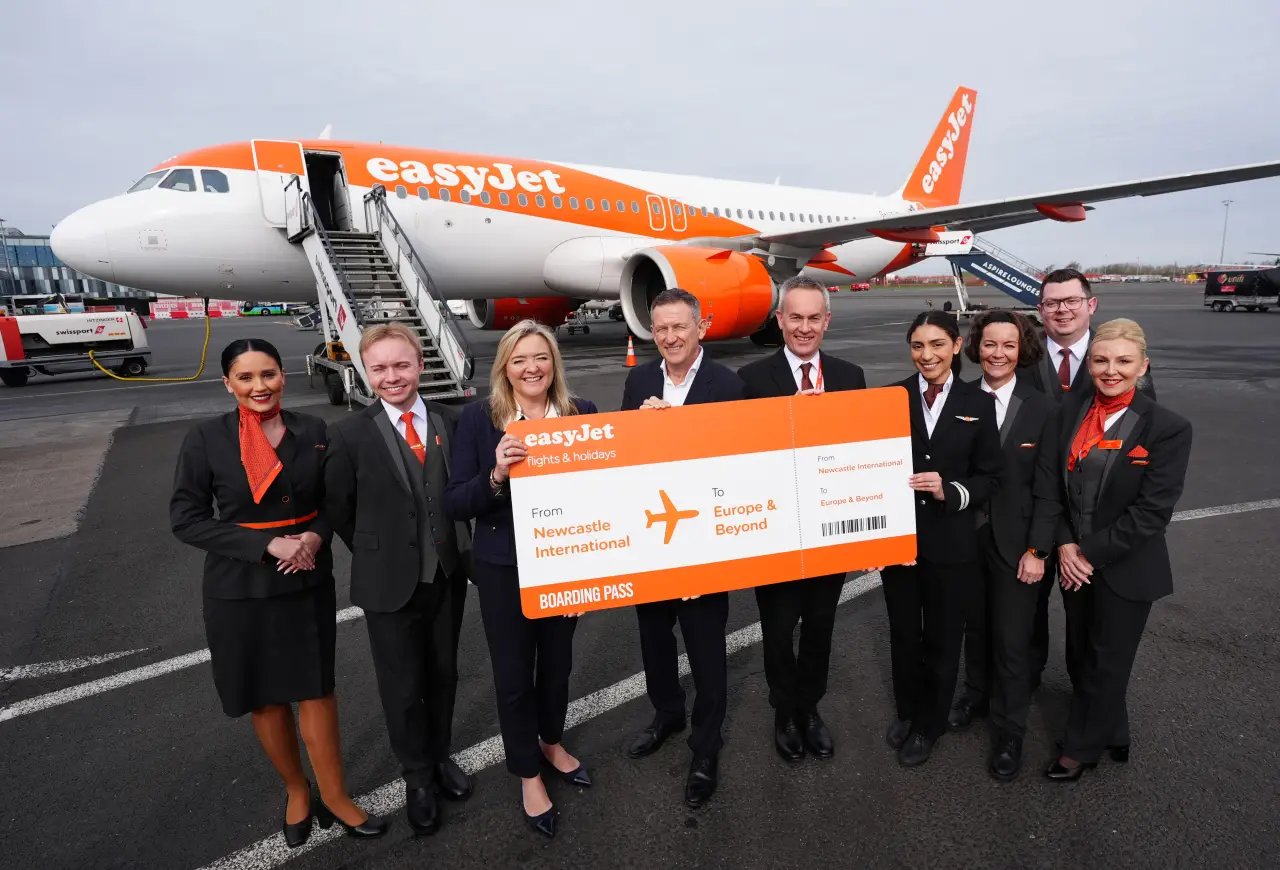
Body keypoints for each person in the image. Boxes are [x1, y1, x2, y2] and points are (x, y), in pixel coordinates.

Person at [171, 339, 386, 847]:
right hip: (240, 586)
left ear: (283, 376)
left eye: (267, 374)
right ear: (227, 383)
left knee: (316, 688)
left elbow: (335, 501)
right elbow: (187, 519)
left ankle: (335, 794)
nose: (259, 386)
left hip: (305, 577)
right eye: (245, 378)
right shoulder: (206, 438)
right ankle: (296, 790)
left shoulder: (314, 431)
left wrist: (315, 536)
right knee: (264, 698)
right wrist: (266, 544)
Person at [445, 320, 597, 839]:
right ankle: (528, 773)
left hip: (566, 561)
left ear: (554, 363)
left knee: (557, 666)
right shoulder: (478, 420)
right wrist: (496, 475)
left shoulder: (581, 413)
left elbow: (606, 489)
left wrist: (591, 570)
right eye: (520, 360)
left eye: (541, 357)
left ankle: (551, 742)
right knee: (513, 675)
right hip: (503, 566)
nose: (532, 368)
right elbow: (456, 501)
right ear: (504, 368)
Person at [324, 323, 472, 838]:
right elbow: (340, 509)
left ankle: (441, 756)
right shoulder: (348, 434)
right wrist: (379, 551)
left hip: (447, 575)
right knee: (403, 686)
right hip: (388, 583)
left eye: (402, 365)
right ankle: (418, 777)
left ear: (421, 366)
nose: (392, 377)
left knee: (444, 674)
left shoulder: (452, 421)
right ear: (366, 372)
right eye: (380, 368)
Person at [1028, 318, 1192, 781]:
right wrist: (1064, 543)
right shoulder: (1068, 414)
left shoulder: (1168, 428)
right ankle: (1113, 730)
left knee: (1107, 659)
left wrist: (1086, 553)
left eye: (1123, 361)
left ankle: (1080, 749)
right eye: (1101, 360)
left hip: (1125, 565)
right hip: (1074, 561)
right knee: (1082, 654)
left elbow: (1151, 512)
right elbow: (1052, 488)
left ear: (1143, 366)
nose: (1110, 370)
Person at [620, 287, 745, 808]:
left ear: (700, 328)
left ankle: (705, 745)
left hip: (703, 538)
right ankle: (667, 713)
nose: (670, 337)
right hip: (654, 535)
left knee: (706, 646)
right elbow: (622, 455)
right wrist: (641, 430)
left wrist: (679, 430)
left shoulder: (728, 385)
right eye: (661, 328)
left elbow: (737, 463)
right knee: (654, 636)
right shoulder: (639, 380)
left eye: (679, 327)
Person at [737, 275, 866, 763]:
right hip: (776, 531)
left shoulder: (851, 377)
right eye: (795, 317)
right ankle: (784, 710)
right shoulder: (750, 380)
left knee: (819, 626)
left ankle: (809, 706)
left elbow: (861, 453)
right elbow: (738, 455)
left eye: (814, 318)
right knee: (777, 629)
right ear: (779, 319)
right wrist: (787, 421)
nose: (804, 327)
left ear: (827, 321)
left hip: (829, 529)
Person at [1024, 268, 1157, 691]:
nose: (1062, 310)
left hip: (1089, 526)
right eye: (1052, 302)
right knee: (1023, 614)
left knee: (1087, 625)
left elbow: (1140, 443)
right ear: (1040, 309)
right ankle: (1022, 686)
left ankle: (1087, 700)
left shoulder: (1119, 357)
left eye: (1072, 301)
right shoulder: (1021, 354)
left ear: (1091, 305)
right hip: (1029, 511)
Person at [879, 312, 1002, 767]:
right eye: (917, 346)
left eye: (936, 345)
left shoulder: (979, 403)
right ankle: (907, 711)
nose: (926, 355)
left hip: (952, 544)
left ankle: (929, 725)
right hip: (900, 543)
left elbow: (990, 477)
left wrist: (950, 490)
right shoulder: (890, 397)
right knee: (903, 636)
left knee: (944, 640)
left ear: (956, 345)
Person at [948, 311, 1057, 781]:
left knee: (1013, 640)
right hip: (965, 537)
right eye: (989, 344)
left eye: (1008, 345)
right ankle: (976, 693)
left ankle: (1010, 729)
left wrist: (1039, 550)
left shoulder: (1044, 408)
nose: (998, 353)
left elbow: (1050, 488)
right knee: (975, 627)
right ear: (976, 347)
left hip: (1017, 543)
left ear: (1022, 349)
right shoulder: (958, 398)